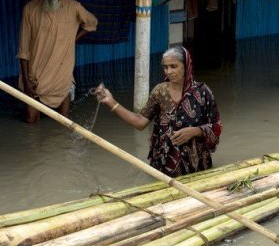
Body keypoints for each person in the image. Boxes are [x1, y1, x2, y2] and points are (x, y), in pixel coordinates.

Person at [95, 46, 222, 177]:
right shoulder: (160, 92)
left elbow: (216, 127)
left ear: (186, 66)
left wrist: (195, 131)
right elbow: (140, 122)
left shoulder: (202, 92)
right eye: (165, 67)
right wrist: (111, 102)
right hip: (164, 165)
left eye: (174, 66)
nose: (169, 71)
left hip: (197, 166)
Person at [17, 0, 98, 123]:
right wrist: (26, 80)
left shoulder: (74, 7)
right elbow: (23, 49)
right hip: (36, 75)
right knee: (31, 120)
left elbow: (92, 23)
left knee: (64, 122)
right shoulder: (30, 9)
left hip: (62, 75)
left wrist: (73, 38)